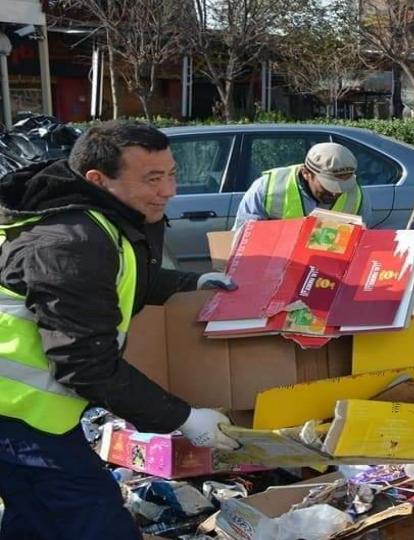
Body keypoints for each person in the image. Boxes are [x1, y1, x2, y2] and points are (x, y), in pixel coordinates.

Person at [0, 120, 238, 539]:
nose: (169, 191)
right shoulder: (69, 241)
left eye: (171, 175)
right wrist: (182, 417)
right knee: (97, 524)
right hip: (17, 421)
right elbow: (85, 364)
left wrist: (191, 284)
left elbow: (113, 283)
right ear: (98, 179)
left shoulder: (98, 220)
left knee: (37, 521)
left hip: (29, 416)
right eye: (152, 179)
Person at [233, 142, 365, 230]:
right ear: (306, 173)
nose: (336, 193)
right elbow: (242, 239)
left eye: (344, 185)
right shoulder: (267, 188)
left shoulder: (357, 195)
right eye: (329, 186)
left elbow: (365, 245)